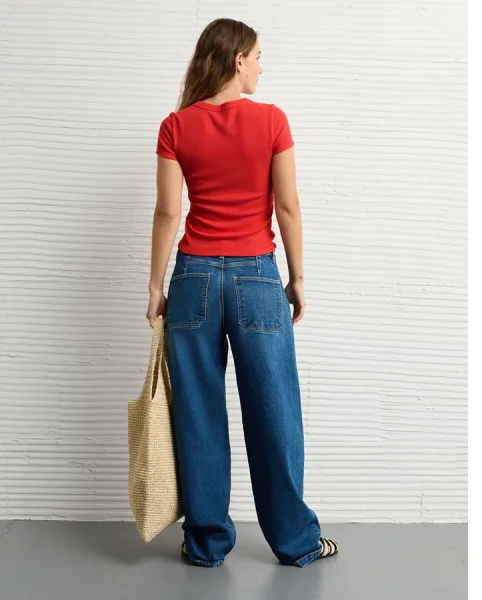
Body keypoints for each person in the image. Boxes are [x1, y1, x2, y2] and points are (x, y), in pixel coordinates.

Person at [146, 18, 339, 568]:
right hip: (257, 277)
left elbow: (168, 213)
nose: (260, 66)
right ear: (237, 60)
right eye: (256, 56)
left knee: (198, 412)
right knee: (275, 410)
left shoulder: (176, 126)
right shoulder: (272, 120)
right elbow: (288, 207)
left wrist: (156, 286)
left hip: (193, 281)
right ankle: (297, 542)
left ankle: (206, 544)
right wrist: (296, 278)